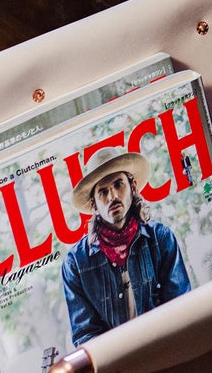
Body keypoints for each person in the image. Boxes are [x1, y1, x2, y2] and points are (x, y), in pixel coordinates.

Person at [61, 146, 191, 343]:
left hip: (166, 350)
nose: (112, 196)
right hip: (119, 370)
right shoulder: (75, 265)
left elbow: (182, 309)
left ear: (133, 187)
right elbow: (86, 337)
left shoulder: (161, 239)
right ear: (94, 205)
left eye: (118, 184)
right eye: (103, 192)